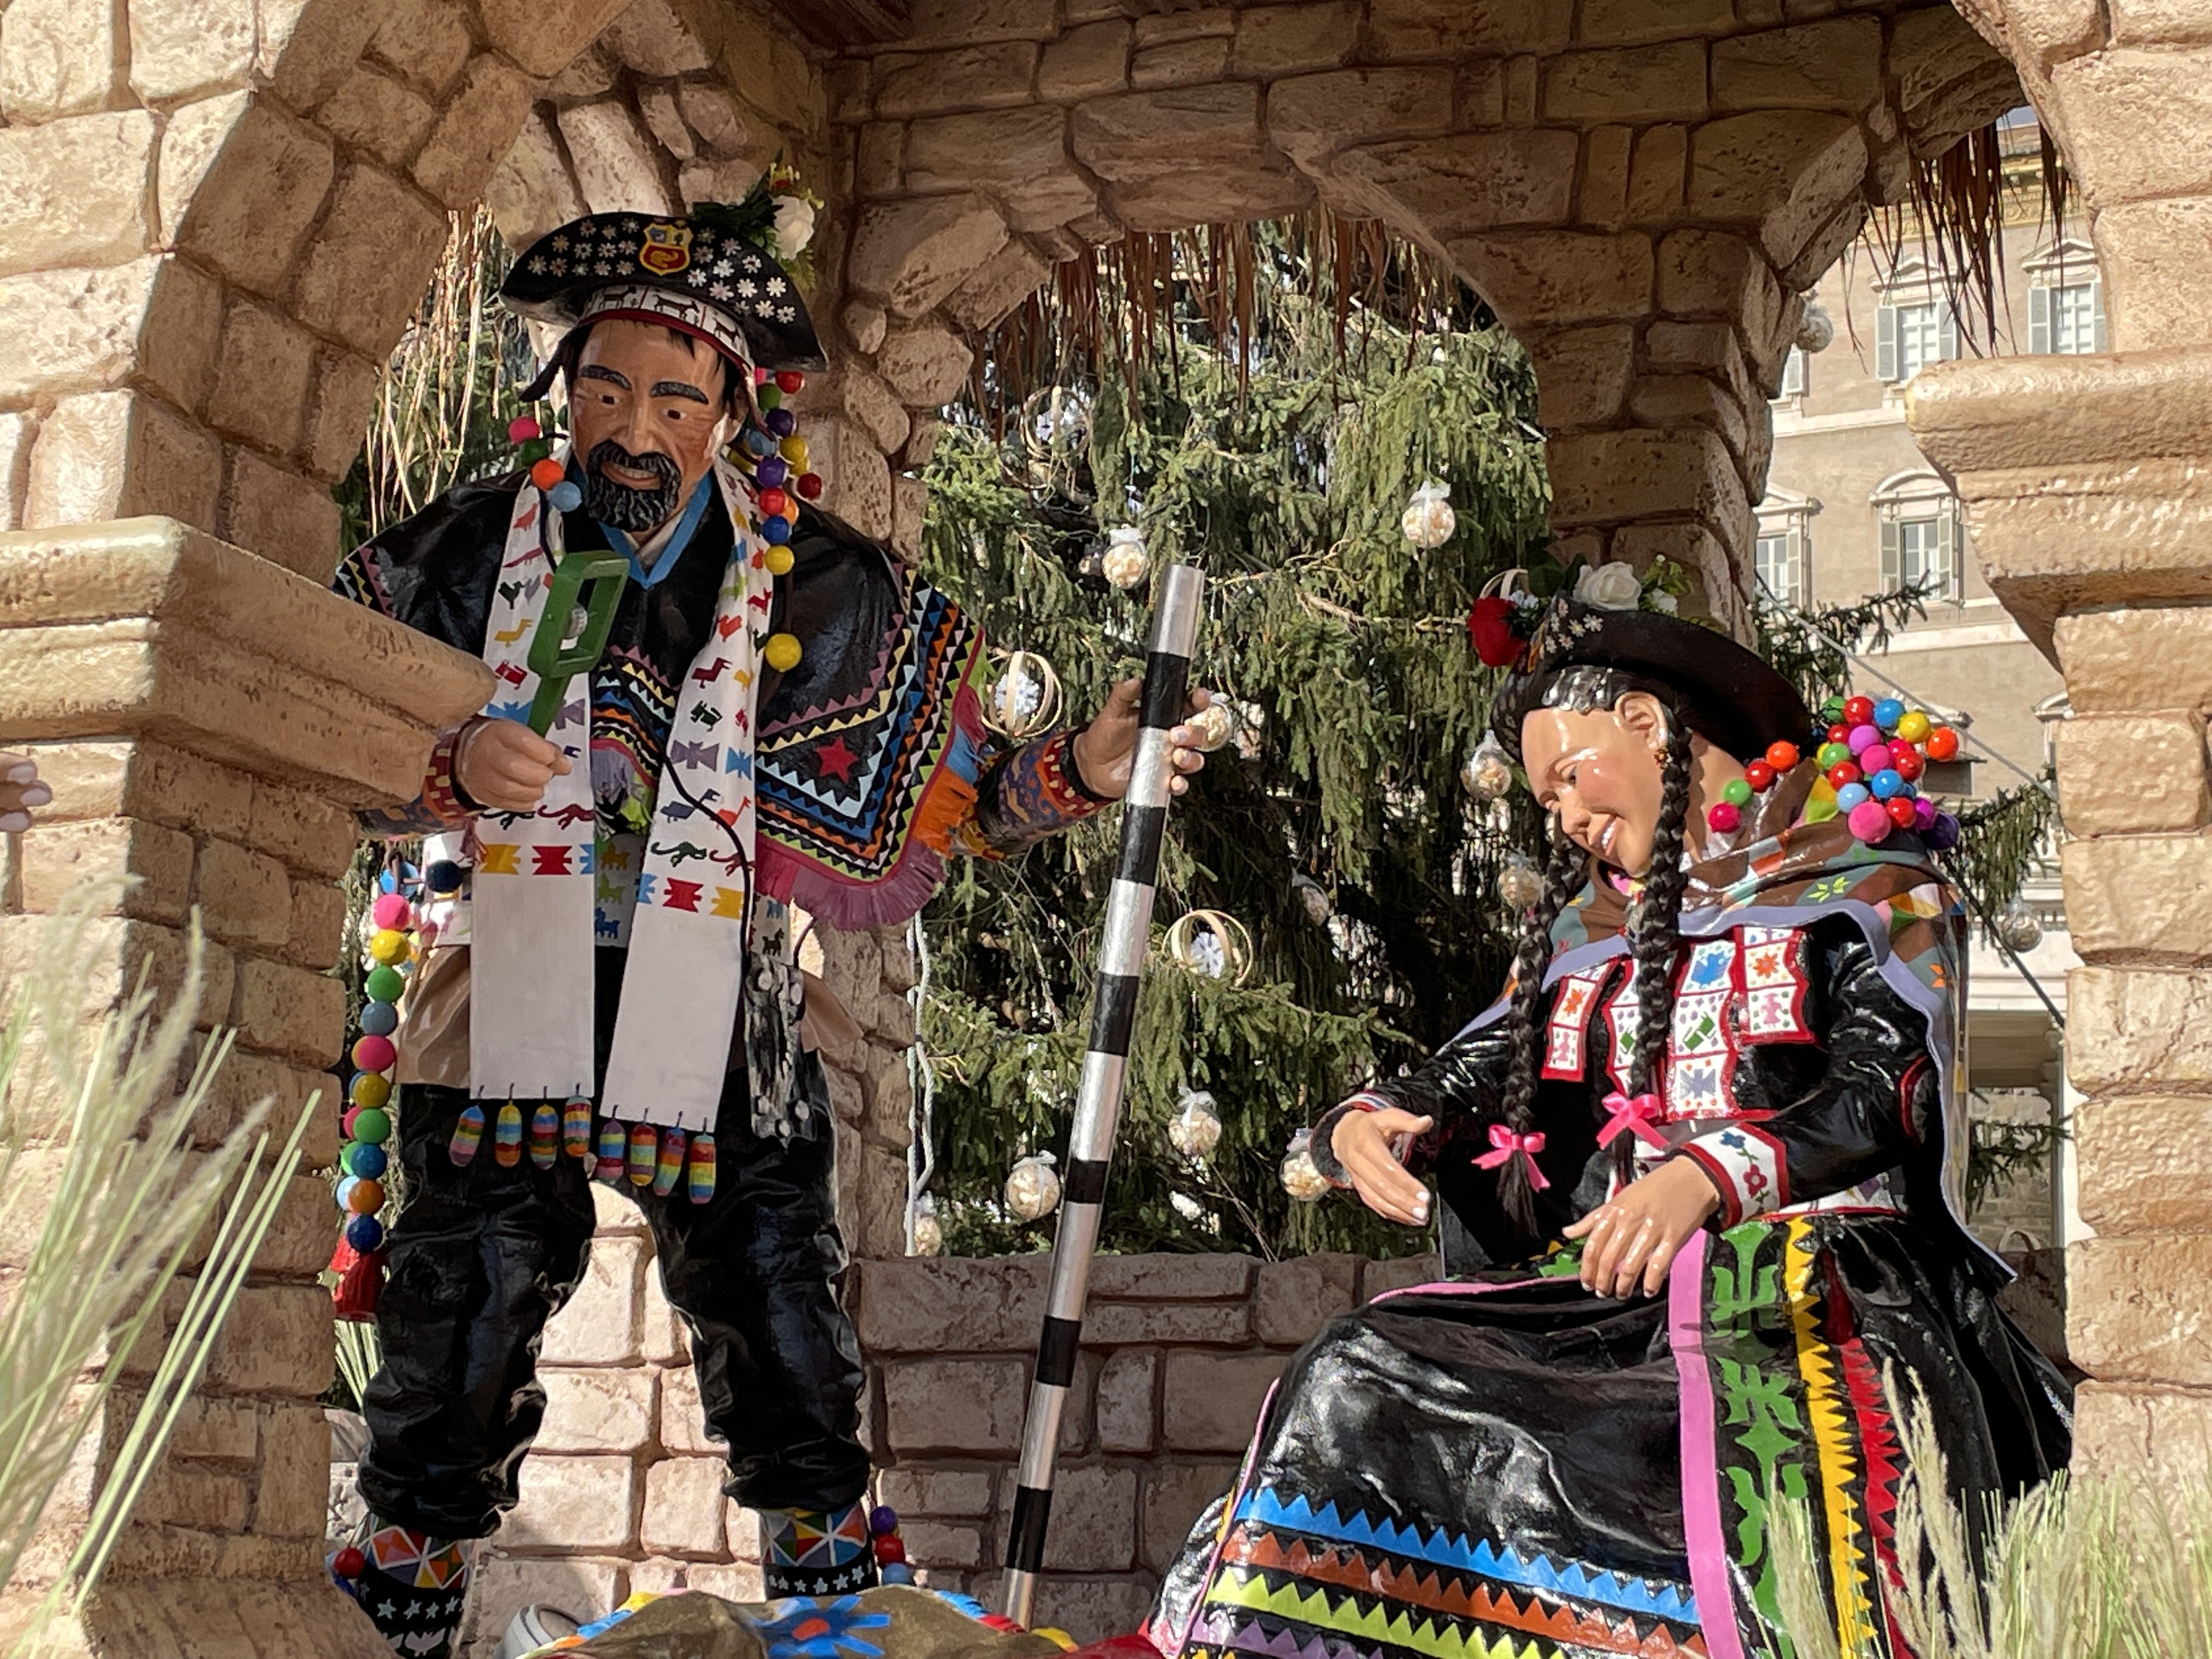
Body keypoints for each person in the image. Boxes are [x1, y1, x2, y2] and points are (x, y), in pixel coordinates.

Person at [331, 189, 1210, 1659]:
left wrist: (1078, 775)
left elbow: (951, 809)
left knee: (787, 1327)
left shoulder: (823, 586)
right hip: (497, 994)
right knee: (463, 1319)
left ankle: (841, 1623)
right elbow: (324, 719)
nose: (632, 424)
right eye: (604, 385)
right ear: (564, 395)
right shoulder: (467, 555)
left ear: (729, 415)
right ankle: (398, 1619)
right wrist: (443, 764)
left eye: (673, 395)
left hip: (721, 1014)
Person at [1147, 590, 2069, 1659]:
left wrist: (1711, 1178)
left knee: (1754, 1455)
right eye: (1546, 801)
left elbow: (1892, 1088)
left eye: (1569, 780)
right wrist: (1366, 1125)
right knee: (1359, 1361)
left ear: (1645, 725)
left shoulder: (1866, 882)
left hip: (1821, 1286)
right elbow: (1472, 1070)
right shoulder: (1596, 935)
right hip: (1609, 1296)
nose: (1565, 820)